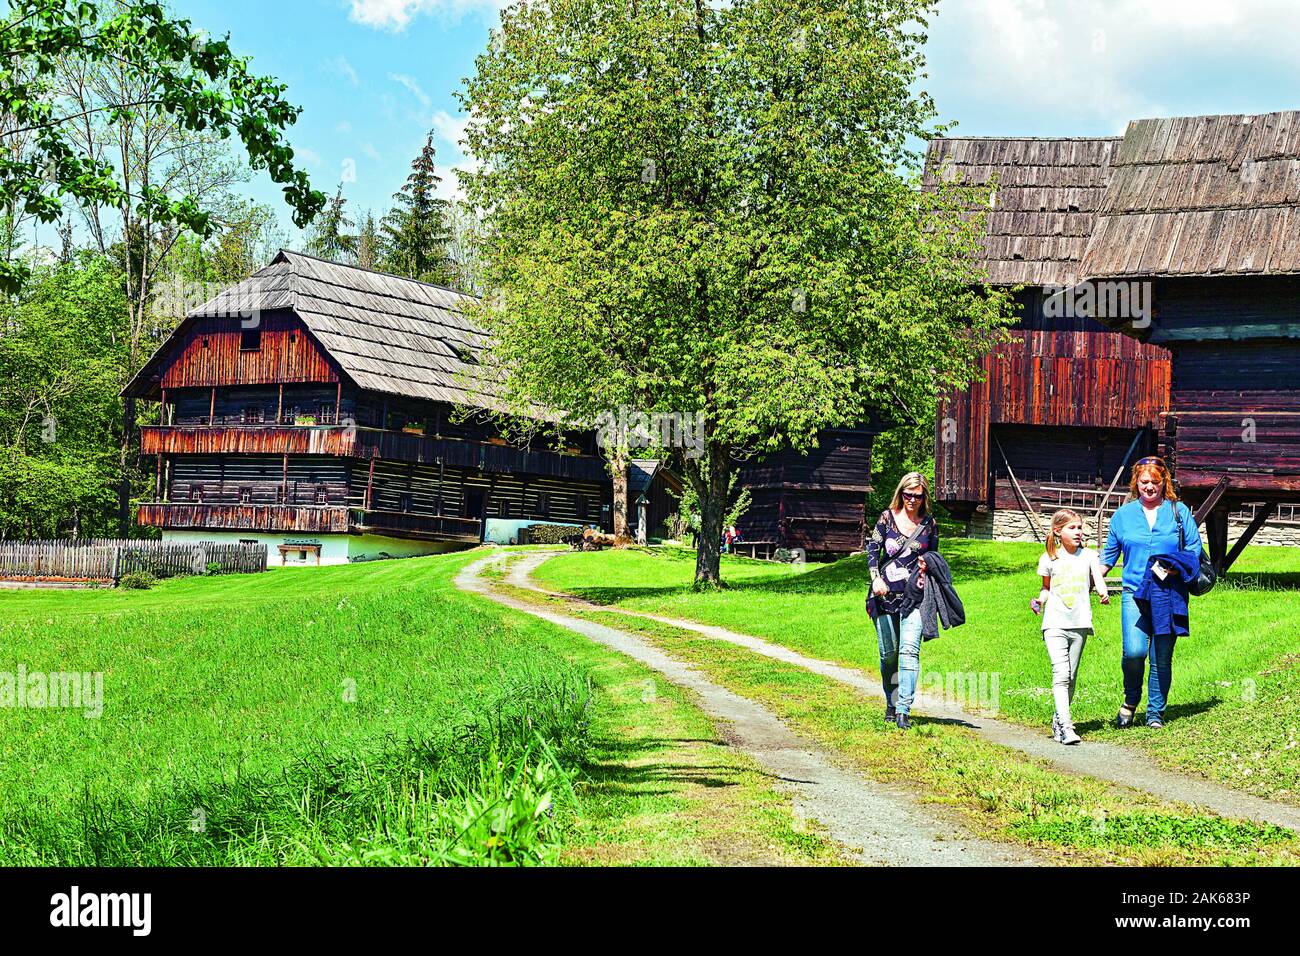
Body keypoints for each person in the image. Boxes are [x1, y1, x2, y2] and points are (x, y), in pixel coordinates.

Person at [1100, 456, 1202, 730]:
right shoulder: (1123, 516)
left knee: (1161, 655)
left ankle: (1155, 712)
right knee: (1133, 652)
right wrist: (1083, 579)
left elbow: (1194, 550)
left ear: (1164, 482)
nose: (1149, 487)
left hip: (1169, 592)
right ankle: (1131, 700)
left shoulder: (1179, 512)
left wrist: (1177, 569)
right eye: (1144, 482)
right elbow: (1107, 558)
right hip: (1134, 592)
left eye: (1155, 482)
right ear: (1136, 482)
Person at [866, 472, 938, 731]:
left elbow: (934, 557)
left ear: (924, 497)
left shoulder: (929, 524)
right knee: (889, 655)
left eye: (918, 496)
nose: (912, 500)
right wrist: (876, 579)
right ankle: (891, 700)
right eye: (908, 495)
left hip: (915, 597)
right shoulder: (886, 518)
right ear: (901, 493)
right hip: (884, 596)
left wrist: (926, 566)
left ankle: (903, 710)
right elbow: (873, 550)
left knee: (910, 652)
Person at [1033, 509, 1109, 745]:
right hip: (1054, 623)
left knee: (1072, 676)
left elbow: (1098, 578)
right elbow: (1046, 588)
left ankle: (1058, 719)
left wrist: (1102, 591)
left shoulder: (1089, 556)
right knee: (1061, 674)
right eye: (1072, 528)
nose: (1078, 532)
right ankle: (1067, 726)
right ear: (1058, 531)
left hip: (1080, 623)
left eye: (1079, 527)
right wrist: (1039, 600)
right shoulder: (1049, 557)